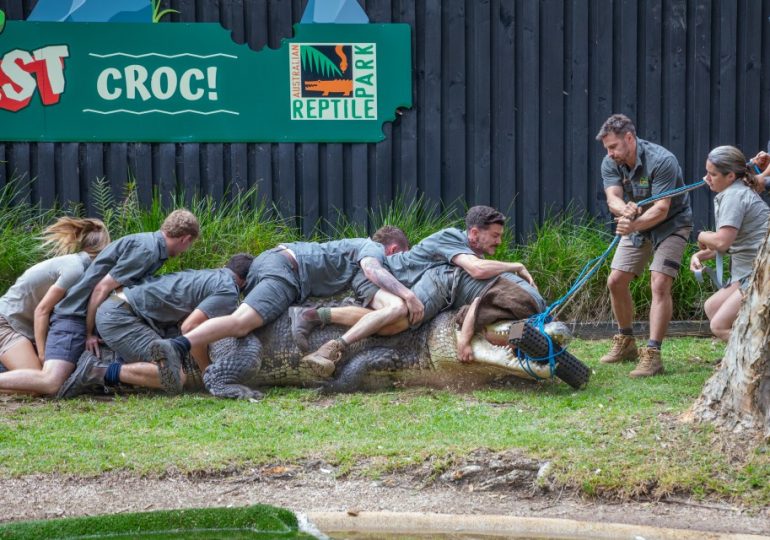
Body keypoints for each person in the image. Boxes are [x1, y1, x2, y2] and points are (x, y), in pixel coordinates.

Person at [150, 227, 411, 385]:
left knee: (248, 325)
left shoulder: (353, 257)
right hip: (286, 270)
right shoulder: (373, 249)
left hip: (281, 268)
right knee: (242, 323)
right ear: (393, 249)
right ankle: (177, 345)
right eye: (400, 258)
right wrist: (407, 296)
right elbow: (373, 269)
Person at [296, 206, 537, 369]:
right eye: (495, 235)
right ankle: (331, 347)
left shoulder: (473, 254)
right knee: (397, 312)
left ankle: (317, 315)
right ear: (474, 232)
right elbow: (476, 270)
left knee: (393, 326)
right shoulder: (452, 237)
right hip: (381, 277)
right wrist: (516, 266)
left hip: (407, 285)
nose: (499, 241)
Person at [0, 209, 199, 396]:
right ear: (185, 238)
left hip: (76, 315)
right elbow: (101, 288)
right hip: (72, 317)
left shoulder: (150, 246)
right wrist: (88, 333)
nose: (186, 250)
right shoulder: (147, 251)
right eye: (189, 245)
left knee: (48, 383)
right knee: (51, 382)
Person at [57, 253, 253, 398]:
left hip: (121, 308)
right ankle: (95, 370)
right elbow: (190, 328)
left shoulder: (210, 275)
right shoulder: (228, 290)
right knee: (174, 376)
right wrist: (207, 373)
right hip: (119, 315)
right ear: (246, 280)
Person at [596, 114, 693, 377]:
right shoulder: (610, 162)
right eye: (607, 148)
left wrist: (632, 224)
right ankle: (626, 342)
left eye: (614, 146)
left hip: (671, 224)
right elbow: (613, 198)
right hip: (637, 222)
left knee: (660, 282)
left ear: (629, 138)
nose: (610, 153)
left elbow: (662, 209)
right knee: (615, 280)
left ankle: (653, 354)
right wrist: (623, 210)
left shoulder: (663, 161)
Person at [0, 217, 110, 375]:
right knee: (38, 381)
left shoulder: (80, 266)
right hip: (6, 323)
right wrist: (43, 355)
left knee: (38, 379)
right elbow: (42, 311)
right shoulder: (75, 269)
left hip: (18, 326)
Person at [690, 146, 770, 341]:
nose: (707, 178)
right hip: (750, 270)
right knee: (712, 308)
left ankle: (756, 365)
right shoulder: (735, 190)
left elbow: (722, 242)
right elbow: (731, 244)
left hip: (762, 272)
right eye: (707, 172)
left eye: (713, 174)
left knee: (719, 325)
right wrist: (700, 255)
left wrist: (701, 235)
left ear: (730, 176)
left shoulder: (734, 196)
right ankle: (740, 362)